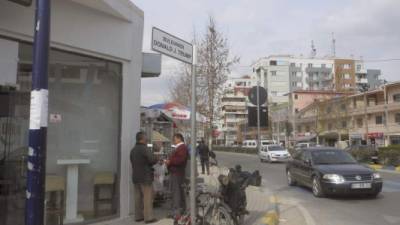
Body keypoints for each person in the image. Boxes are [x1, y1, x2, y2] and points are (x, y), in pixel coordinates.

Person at [130, 132, 158, 224]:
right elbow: (152, 160)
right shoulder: (145, 149)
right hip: (145, 177)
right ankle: (148, 217)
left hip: (136, 176)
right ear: (142, 139)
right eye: (146, 138)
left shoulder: (133, 150)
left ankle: (138, 216)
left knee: (137, 197)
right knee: (147, 197)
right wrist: (156, 157)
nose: (147, 140)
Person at [165, 133, 188, 220]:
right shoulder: (179, 147)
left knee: (176, 193)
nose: (173, 141)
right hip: (176, 173)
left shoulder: (182, 147)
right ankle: (181, 210)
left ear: (179, 139)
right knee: (179, 192)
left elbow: (180, 160)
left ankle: (176, 213)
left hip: (177, 173)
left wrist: (170, 161)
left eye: (174, 139)